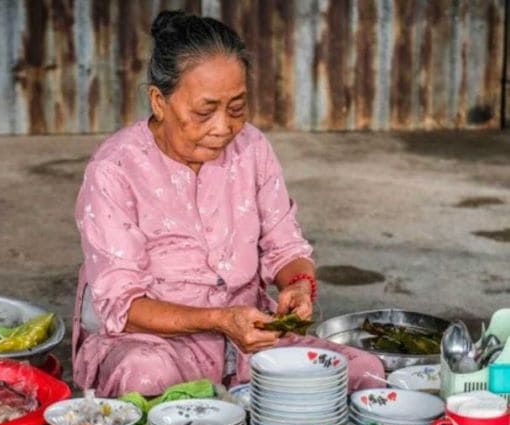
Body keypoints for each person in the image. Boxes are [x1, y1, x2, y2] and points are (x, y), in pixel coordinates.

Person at [72, 10, 384, 397]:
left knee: (365, 374)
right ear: (158, 101)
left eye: (236, 108)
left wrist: (299, 288)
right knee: (147, 377)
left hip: (249, 340)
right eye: (205, 111)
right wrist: (220, 319)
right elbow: (123, 306)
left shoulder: (252, 147)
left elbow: (285, 247)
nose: (224, 127)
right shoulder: (114, 169)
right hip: (153, 344)